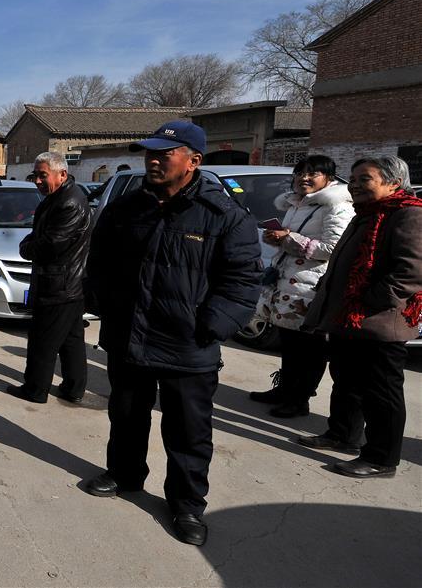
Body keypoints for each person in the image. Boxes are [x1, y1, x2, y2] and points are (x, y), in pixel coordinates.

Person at [85, 121, 262, 546]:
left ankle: (186, 504)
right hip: (129, 335)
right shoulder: (126, 209)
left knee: (188, 431)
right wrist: (104, 305)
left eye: (166, 152)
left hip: (187, 344)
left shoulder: (225, 216)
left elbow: (242, 282)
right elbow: (99, 261)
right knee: (126, 416)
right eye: (150, 152)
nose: (155, 159)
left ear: (194, 161)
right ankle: (125, 475)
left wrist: (211, 325)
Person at [298, 155, 422, 478]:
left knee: (381, 393)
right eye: (352, 180)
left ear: (393, 182)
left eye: (364, 179)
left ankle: (381, 459)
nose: (354, 185)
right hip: (349, 320)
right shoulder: (367, 213)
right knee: (347, 381)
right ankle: (342, 434)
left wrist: (368, 301)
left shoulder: (408, 215)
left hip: (380, 322)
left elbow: (410, 273)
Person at [250, 156, 354, 417]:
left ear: (328, 178)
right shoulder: (298, 203)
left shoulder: (336, 206)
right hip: (288, 279)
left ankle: (300, 399)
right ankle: (284, 389)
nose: (304, 178)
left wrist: (290, 238)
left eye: (313, 173)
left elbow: (333, 248)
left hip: (311, 285)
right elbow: (294, 240)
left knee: (308, 348)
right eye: (300, 173)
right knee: (289, 341)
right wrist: (278, 238)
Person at [7, 152, 91, 405]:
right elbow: (41, 235)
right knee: (71, 340)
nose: (38, 181)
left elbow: (51, 244)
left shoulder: (69, 202)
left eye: (43, 176)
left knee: (43, 342)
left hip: (60, 285)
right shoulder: (57, 198)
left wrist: (26, 247)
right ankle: (73, 388)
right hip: (67, 284)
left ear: (62, 174)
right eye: (36, 176)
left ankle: (35, 389)